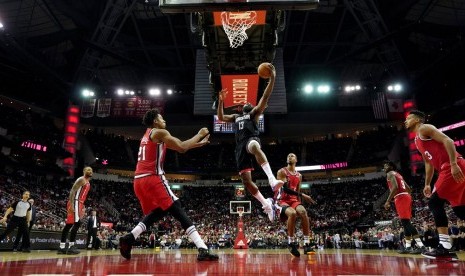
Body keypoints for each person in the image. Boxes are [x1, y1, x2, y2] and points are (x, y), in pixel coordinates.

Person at [119, 108, 218, 261]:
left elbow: (180, 145)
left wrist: (196, 144)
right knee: (177, 208)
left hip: (138, 181)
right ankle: (202, 248)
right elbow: (181, 147)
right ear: (155, 121)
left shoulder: (148, 135)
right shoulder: (159, 132)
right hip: (153, 178)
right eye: (161, 118)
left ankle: (130, 237)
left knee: (160, 210)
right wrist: (199, 134)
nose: (164, 120)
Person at [217, 63, 284, 221]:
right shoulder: (235, 117)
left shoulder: (254, 113)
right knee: (246, 182)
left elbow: (265, 97)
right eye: (245, 102)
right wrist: (221, 101)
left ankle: (272, 179)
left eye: (249, 102)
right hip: (240, 147)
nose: (247, 102)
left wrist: (272, 78)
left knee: (254, 146)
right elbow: (220, 117)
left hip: (251, 140)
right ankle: (266, 204)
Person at [405, 110, 465, 261]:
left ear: (418, 119)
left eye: (408, 118)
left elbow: (449, 141)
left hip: (451, 166)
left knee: (434, 202)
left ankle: (444, 246)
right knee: (460, 210)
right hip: (450, 167)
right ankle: (445, 247)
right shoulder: (417, 141)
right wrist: (427, 183)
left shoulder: (424, 128)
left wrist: (453, 164)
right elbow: (428, 164)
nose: (405, 121)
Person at [274, 153, 316, 257]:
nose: (289, 157)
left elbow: (297, 191)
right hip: (281, 199)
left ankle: (307, 244)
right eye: (288, 156)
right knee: (292, 213)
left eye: (292, 156)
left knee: (303, 212)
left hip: (293, 200)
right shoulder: (282, 171)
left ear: (296, 160)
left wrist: (299, 202)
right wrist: (303, 195)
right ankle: (291, 243)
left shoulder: (299, 176)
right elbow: (286, 189)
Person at [382, 160, 425, 254]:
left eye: (386, 166)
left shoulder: (390, 174)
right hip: (406, 196)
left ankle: (421, 246)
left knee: (406, 222)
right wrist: (407, 197)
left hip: (401, 197)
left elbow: (395, 187)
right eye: (384, 167)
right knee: (405, 223)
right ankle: (408, 247)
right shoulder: (399, 175)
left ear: (391, 167)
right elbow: (409, 188)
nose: (384, 168)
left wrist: (388, 201)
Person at [58, 166, 93, 255]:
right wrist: (72, 204)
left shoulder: (88, 182)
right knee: (77, 223)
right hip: (75, 202)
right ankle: (71, 246)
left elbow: (83, 196)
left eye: (91, 170)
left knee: (69, 225)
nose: (90, 171)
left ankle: (61, 247)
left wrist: (83, 206)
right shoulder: (81, 179)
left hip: (80, 203)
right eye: (88, 170)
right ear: (84, 171)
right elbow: (72, 191)